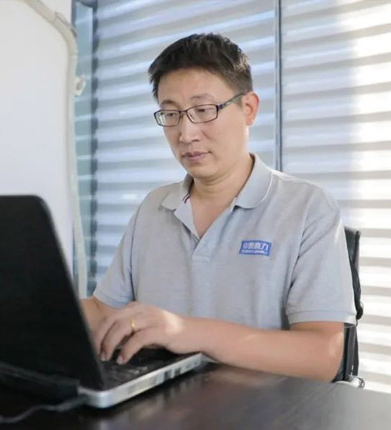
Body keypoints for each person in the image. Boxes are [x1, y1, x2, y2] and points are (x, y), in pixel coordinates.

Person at [81, 33, 356, 381]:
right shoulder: (154, 208)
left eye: (203, 110)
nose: (186, 133)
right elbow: (104, 311)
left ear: (249, 108)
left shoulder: (307, 208)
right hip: (163, 401)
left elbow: (321, 357)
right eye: (171, 114)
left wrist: (187, 332)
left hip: (264, 406)